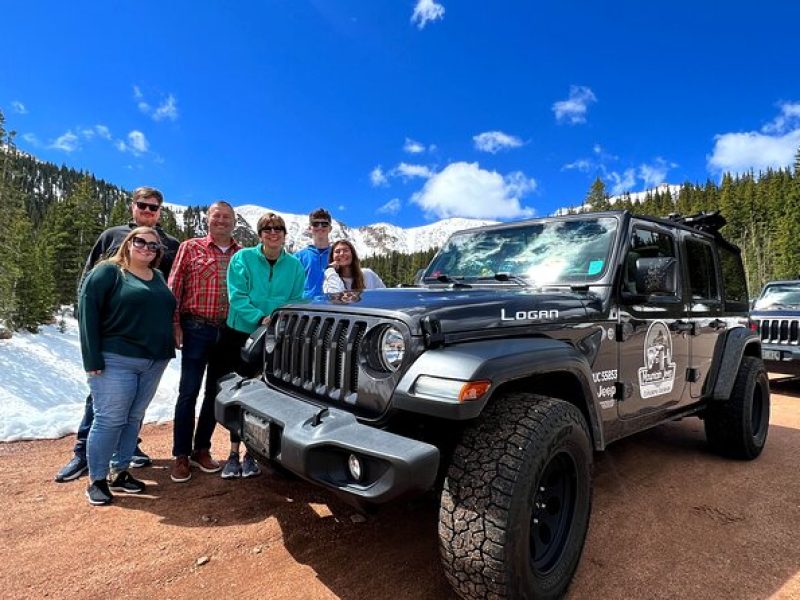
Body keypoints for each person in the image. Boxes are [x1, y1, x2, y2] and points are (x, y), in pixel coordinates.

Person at [55, 186, 180, 483]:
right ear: (132, 206)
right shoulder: (111, 236)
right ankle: (83, 453)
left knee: (133, 407)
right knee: (103, 405)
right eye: (143, 205)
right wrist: (90, 335)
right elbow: (89, 281)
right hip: (115, 343)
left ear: (161, 211)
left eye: (154, 207)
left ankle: (124, 455)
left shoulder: (170, 244)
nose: (148, 211)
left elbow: (170, 288)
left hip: (150, 348)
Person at [79, 227, 176, 505]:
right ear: (128, 243)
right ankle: (97, 479)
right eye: (141, 242)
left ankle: (120, 471)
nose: (147, 248)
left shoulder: (157, 276)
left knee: (134, 417)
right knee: (110, 419)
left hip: (154, 360)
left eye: (154, 246)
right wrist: (91, 357)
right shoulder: (109, 272)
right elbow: (88, 311)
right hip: (115, 358)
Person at [221, 212, 306, 479]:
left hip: (275, 338)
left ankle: (252, 454)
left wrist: (277, 321)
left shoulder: (294, 266)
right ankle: (232, 454)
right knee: (239, 394)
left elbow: (296, 300)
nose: (273, 232)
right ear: (260, 234)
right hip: (241, 334)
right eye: (267, 228)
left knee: (265, 396)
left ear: (284, 234)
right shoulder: (242, 259)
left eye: (278, 228)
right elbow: (237, 296)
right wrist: (261, 318)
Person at [167, 201, 241, 483]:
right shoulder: (190, 247)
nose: (221, 221)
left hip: (227, 332)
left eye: (227, 217)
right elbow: (174, 286)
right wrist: (174, 323)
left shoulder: (242, 254)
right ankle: (181, 455)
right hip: (195, 328)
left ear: (234, 222)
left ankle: (202, 450)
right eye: (216, 216)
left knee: (214, 393)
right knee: (188, 392)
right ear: (207, 219)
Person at [294, 207, 332, 298]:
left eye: (324, 224)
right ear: (310, 228)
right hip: (307, 307)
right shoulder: (298, 257)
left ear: (330, 228)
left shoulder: (338, 255)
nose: (320, 227)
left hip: (332, 306)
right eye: (315, 224)